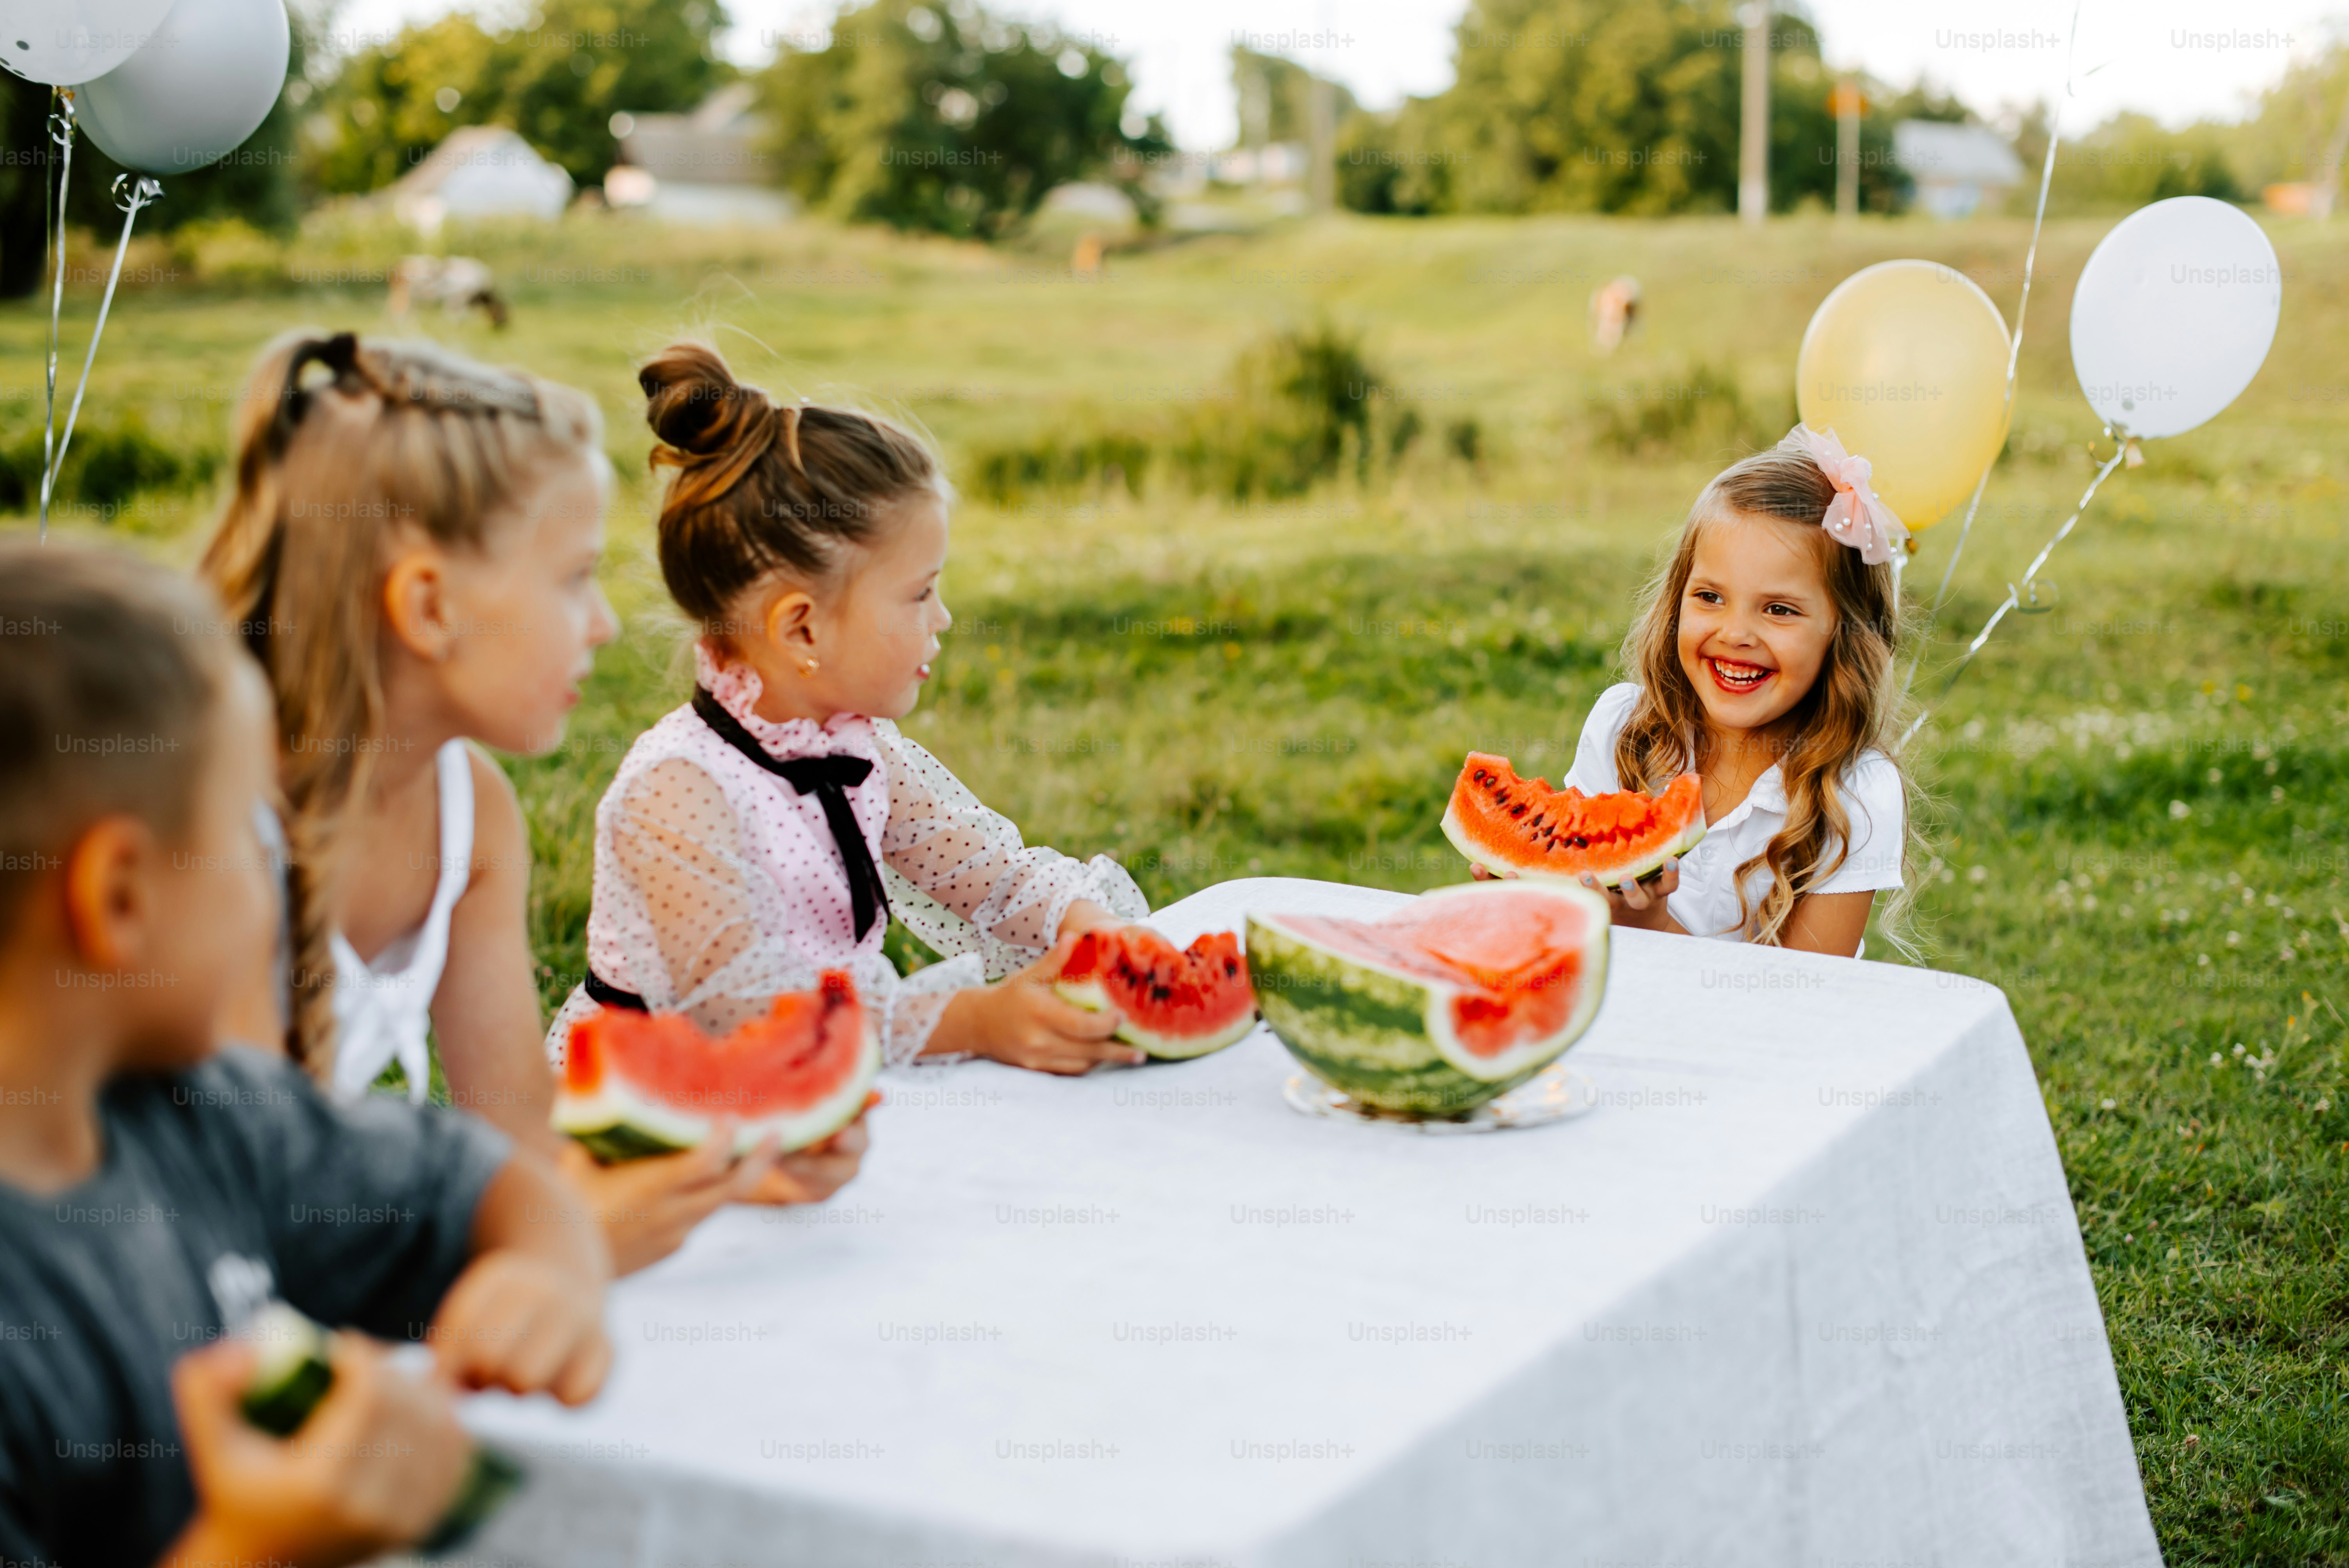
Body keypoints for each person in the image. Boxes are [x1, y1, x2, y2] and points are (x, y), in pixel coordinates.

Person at [198, 330, 862, 1275]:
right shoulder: (213, 832)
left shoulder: (471, 815)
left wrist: (730, 1159)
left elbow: (511, 1135)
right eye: (572, 579)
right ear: (428, 608)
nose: (604, 622)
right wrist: (566, 1245)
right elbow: (240, 1207)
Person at [0, 542, 610, 1568]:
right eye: (251, 834)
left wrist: (551, 1278)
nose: (280, 874)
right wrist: (254, 1547)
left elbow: (492, 1186)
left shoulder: (204, 1116)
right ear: (120, 899)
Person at [550, 342, 1151, 1073]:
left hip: (825, 1085)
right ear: (802, 628)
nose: (945, 619)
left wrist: (1085, 925)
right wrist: (974, 1019)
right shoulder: (675, 792)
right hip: (660, 1111)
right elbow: (750, 1011)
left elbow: (995, 876)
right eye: (920, 593)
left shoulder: (860, 749)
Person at [1511, 426, 1914, 957]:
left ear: (1845, 633)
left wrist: (1652, 924)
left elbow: (1802, 1004)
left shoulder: (1856, 796)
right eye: (1710, 597)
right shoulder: (1623, 730)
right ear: (1677, 599)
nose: (1736, 634)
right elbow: (1571, 924)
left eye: (1779, 609)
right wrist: (1529, 880)